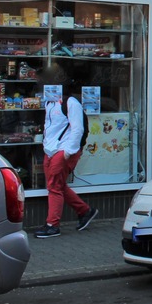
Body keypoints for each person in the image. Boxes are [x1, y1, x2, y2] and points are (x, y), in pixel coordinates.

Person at [35, 65, 97, 238]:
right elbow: (51, 127)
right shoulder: (49, 103)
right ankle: (85, 211)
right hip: (51, 150)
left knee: (54, 187)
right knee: (58, 185)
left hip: (62, 151)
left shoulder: (71, 103)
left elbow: (77, 130)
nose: (43, 88)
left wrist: (67, 152)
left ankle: (52, 225)